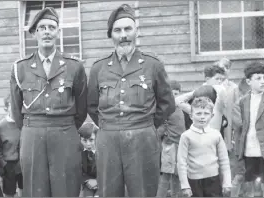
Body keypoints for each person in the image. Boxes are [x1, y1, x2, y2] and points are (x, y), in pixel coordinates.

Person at [87, 4, 175, 197]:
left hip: (143, 139)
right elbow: (92, 106)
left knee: (143, 192)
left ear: (136, 31)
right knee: (109, 192)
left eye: (128, 29)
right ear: (111, 35)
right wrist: (111, 126)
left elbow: (167, 103)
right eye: (117, 30)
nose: (123, 35)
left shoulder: (153, 65)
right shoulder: (99, 68)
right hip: (108, 140)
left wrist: (145, 125)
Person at [10, 7, 87, 197]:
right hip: (32, 136)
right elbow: (16, 109)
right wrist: (34, 128)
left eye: (51, 27)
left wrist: (63, 126)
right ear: (35, 33)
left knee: (66, 188)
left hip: (64, 133)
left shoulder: (74, 66)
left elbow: (82, 108)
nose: (46, 31)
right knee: (36, 189)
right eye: (42, 27)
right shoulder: (20, 68)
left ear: (58, 32)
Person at [177, 97, 231, 197]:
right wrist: (185, 186)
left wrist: (227, 182)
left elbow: (224, 160)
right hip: (194, 181)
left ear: (212, 115)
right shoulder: (186, 136)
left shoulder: (216, 135)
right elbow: (181, 162)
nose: (202, 117)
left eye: (206, 113)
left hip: (213, 180)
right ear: (191, 116)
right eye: (198, 113)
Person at [232, 62, 264, 197]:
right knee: (249, 186)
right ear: (249, 81)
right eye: (258, 79)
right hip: (249, 149)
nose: (262, 81)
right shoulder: (243, 101)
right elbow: (241, 126)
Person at [175, 65, 228, 140]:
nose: (220, 82)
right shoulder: (196, 100)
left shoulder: (220, 100)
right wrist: (196, 91)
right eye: (217, 79)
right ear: (207, 79)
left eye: (221, 79)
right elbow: (178, 100)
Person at [156, 80, 186, 197]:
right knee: (166, 176)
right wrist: (164, 138)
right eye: (172, 93)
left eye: (177, 93)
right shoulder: (166, 109)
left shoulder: (179, 107)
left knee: (177, 176)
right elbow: (161, 126)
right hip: (170, 145)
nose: (174, 96)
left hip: (180, 145)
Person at [0, 94, 23, 197]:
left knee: (24, 191)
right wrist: (4, 166)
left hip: (23, 163)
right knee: (9, 193)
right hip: (8, 166)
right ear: (6, 108)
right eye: (13, 105)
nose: (16, 108)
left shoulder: (24, 124)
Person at [78, 122, 99, 197]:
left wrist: (98, 181)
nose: (88, 144)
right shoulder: (79, 152)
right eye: (84, 140)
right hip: (88, 183)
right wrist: (87, 181)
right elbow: (79, 171)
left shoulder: (103, 152)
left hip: (104, 182)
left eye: (91, 140)